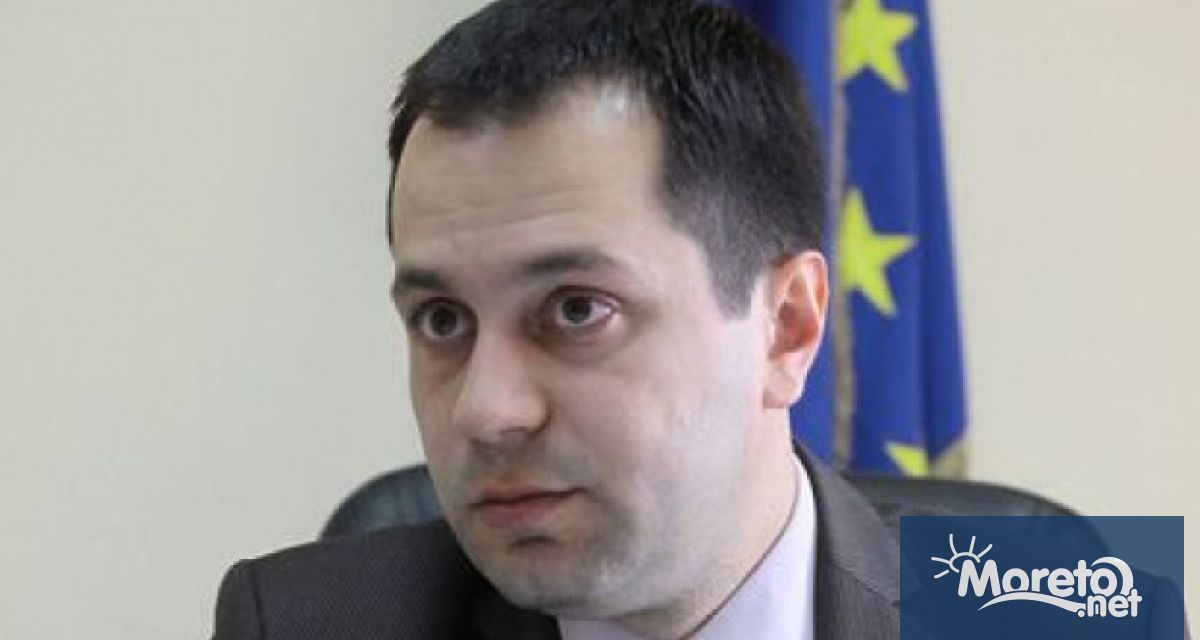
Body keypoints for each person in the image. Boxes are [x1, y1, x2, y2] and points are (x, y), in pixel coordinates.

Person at [211, 1, 907, 638]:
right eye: (442, 320)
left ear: (786, 328)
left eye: (577, 310)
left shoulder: (976, 602)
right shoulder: (304, 624)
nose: (485, 411)